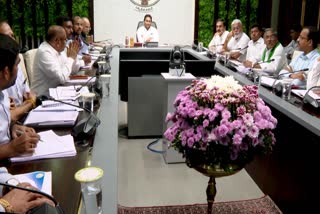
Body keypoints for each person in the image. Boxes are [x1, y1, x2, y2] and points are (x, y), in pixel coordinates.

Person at [0, 21, 37, 122]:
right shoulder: (4, 70)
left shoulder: (13, 63)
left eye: (12, 36)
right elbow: (9, 116)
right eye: (7, 38)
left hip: (24, 116)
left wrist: (13, 127)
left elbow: (28, 94)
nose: (13, 41)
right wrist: (30, 103)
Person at [31, 25, 80, 95]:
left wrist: (74, 56)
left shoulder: (60, 50)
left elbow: (73, 70)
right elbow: (62, 78)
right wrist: (71, 58)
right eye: (65, 40)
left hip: (57, 93)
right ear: (58, 41)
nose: (66, 42)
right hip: (42, 98)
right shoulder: (44, 52)